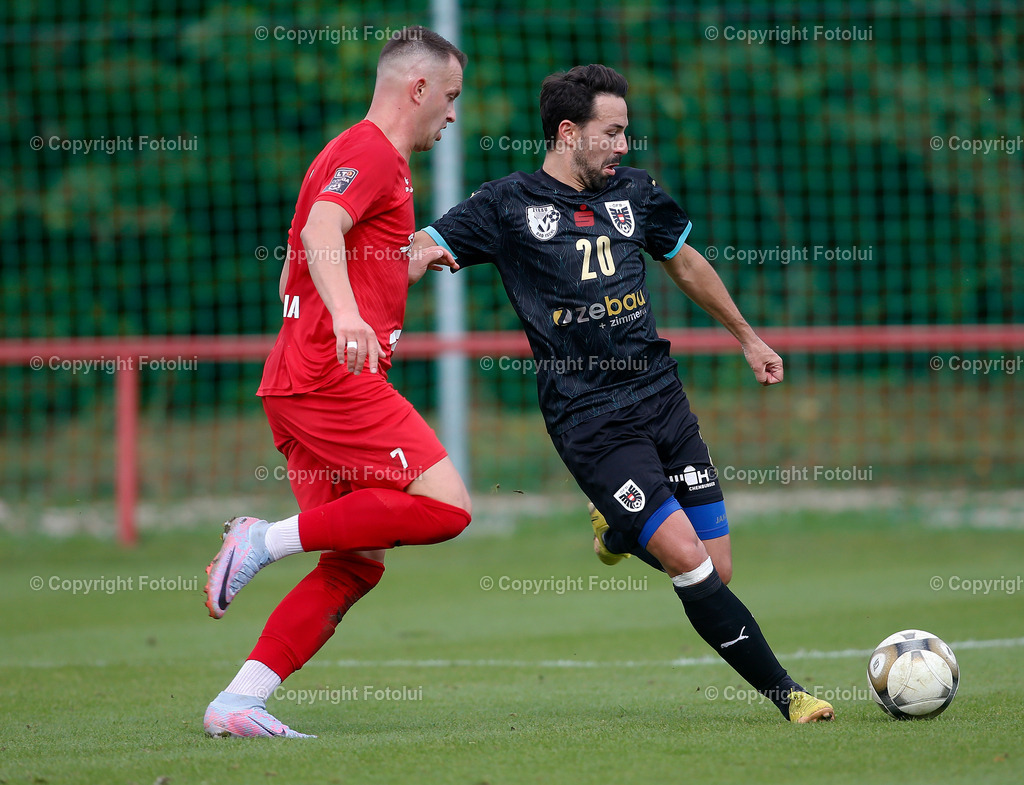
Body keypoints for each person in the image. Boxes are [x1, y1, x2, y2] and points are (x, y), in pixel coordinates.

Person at [413, 64, 834, 723]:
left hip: (662, 398)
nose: (623, 146)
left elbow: (685, 261)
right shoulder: (507, 205)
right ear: (568, 132)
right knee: (687, 558)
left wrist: (748, 337)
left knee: (715, 568)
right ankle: (789, 694)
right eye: (612, 133)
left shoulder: (634, 193)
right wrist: (367, 286)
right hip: (590, 420)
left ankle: (614, 524)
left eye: (626, 133)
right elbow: (423, 245)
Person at [200, 26, 471, 738]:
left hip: (297, 380)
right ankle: (261, 540)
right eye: (449, 98)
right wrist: (349, 316)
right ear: (417, 89)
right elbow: (322, 229)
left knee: (356, 565)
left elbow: (319, 253)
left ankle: (237, 702)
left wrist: (397, 265)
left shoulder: (354, 155)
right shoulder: (371, 151)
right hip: (330, 376)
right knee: (448, 506)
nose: (451, 114)